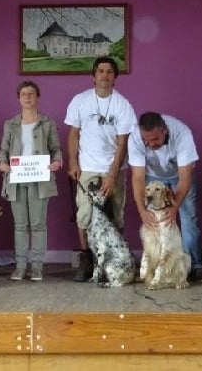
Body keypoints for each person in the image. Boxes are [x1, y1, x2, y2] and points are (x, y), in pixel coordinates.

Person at [65, 56, 136, 282]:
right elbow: (73, 134)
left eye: (109, 72)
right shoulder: (80, 101)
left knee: (115, 214)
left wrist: (112, 175)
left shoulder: (123, 105)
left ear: (115, 77)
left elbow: (123, 143)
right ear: (93, 76)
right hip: (87, 167)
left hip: (113, 167)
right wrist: (73, 162)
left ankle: (115, 257)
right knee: (84, 214)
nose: (104, 75)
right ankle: (87, 258)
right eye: (101, 71)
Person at [0, 81, 63, 282]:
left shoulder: (48, 123)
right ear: (19, 98)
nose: (27, 97)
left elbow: (56, 149)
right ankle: (20, 266)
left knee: (38, 225)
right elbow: (4, 151)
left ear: (38, 97)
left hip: (40, 179)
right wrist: (2, 164)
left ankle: (36, 267)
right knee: (19, 225)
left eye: (31, 94)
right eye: (24, 94)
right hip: (16, 179)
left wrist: (57, 161)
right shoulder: (11, 124)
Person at [128, 112, 202, 281]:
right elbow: (138, 178)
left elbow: (185, 177)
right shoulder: (135, 137)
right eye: (146, 140)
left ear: (164, 130)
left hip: (179, 176)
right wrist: (142, 210)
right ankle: (155, 266)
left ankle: (193, 265)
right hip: (152, 177)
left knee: (188, 218)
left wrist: (174, 206)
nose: (149, 144)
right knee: (152, 222)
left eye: (154, 140)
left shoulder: (182, 134)